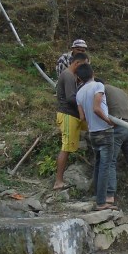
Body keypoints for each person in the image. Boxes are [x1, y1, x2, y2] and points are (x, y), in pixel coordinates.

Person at [75, 63, 115, 210]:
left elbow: (82, 116)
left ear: (79, 77)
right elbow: (97, 108)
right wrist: (109, 121)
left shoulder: (79, 93)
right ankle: (101, 202)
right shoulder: (98, 85)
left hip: (93, 133)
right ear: (92, 72)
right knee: (105, 166)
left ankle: (97, 196)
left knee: (99, 165)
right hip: (104, 131)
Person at [53, 51, 88, 190]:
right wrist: (85, 103)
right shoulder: (68, 75)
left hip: (74, 114)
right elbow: (71, 98)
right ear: (77, 63)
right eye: (83, 65)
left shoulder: (73, 76)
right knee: (66, 147)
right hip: (68, 114)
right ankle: (58, 181)